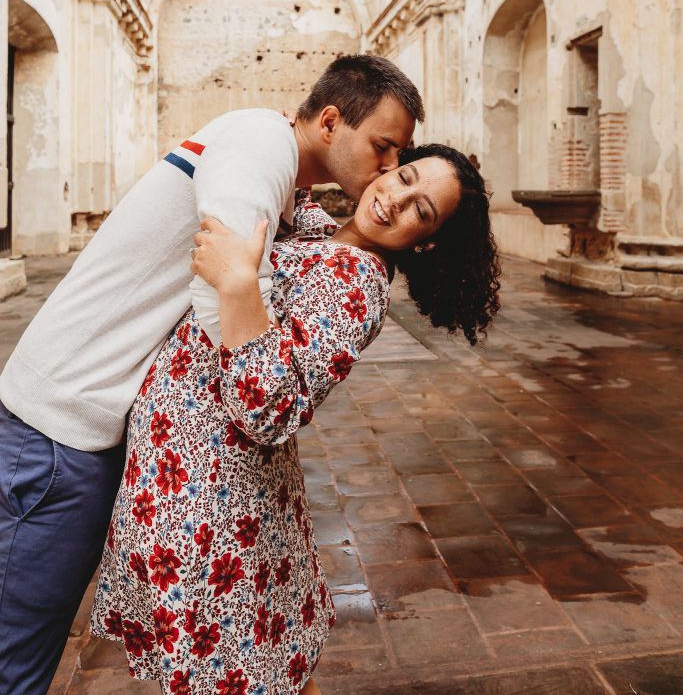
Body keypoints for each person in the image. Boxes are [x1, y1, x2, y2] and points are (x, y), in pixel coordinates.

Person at [0, 55, 423, 695]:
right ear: (331, 122)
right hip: (63, 422)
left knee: (38, 644)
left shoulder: (279, 169)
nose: (388, 172)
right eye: (385, 149)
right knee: (18, 651)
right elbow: (221, 280)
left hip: (99, 430)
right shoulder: (262, 145)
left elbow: (261, 292)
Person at [90, 144, 501, 695]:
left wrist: (237, 284)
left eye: (419, 211)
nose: (394, 201)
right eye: (402, 177)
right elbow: (294, 165)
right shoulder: (323, 235)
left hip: (210, 501)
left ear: (425, 242)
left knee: (230, 672)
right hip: (187, 476)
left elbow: (269, 406)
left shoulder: (359, 287)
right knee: (261, 669)